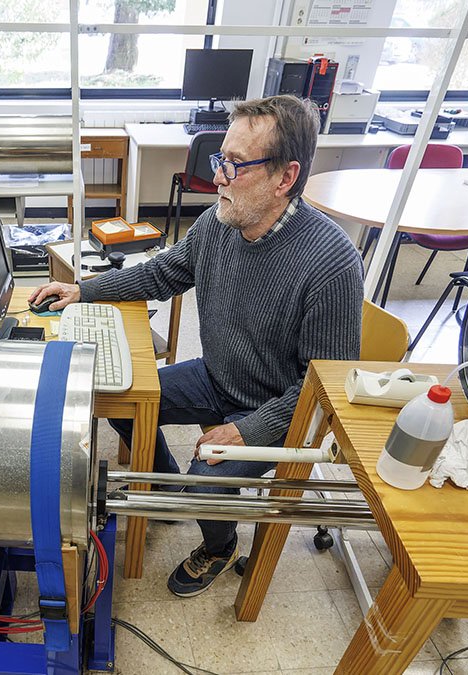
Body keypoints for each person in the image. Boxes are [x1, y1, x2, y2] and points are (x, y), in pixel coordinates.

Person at [28, 95, 364, 597]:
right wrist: (84, 289)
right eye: (219, 161)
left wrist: (248, 429)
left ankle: (219, 543)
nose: (219, 178)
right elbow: (164, 272)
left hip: (275, 408)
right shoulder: (218, 224)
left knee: (210, 481)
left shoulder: (331, 263)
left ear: (284, 178)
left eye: (234, 165)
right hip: (217, 376)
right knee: (121, 398)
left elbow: (324, 391)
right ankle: (171, 491)